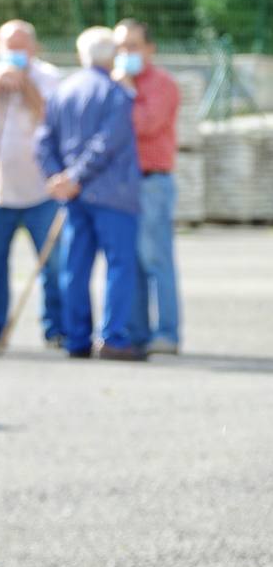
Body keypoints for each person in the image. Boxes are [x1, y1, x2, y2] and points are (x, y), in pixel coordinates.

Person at [35, 27, 144, 361]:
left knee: (75, 266)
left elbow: (42, 140)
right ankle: (112, 337)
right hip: (113, 194)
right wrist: (75, 177)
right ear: (111, 56)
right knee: (119, 265)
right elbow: (107, 143)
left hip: (74, 197)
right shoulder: (116, 94)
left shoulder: (61, 91)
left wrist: (59, 177)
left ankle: (77, 337)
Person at [0, 19, 63, 347]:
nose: (15, 53)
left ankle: (56, 329)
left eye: (21, 46)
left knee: (52, 262)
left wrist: (27, 84)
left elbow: (52, 117)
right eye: (9, 47)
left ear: (33, 48)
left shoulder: (49, 75)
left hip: (41, 189)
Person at [113, 18, 182, 355]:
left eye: (133, 46)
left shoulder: (161, 84)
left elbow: (144, 123)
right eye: (120, 47)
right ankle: (138, 332)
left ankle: (167, 333)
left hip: (152, 182)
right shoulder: (116, 83)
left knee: (156, 259)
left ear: (149, 49)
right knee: (132, 261)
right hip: (122, 186)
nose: (125, 53)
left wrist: (126, 90)